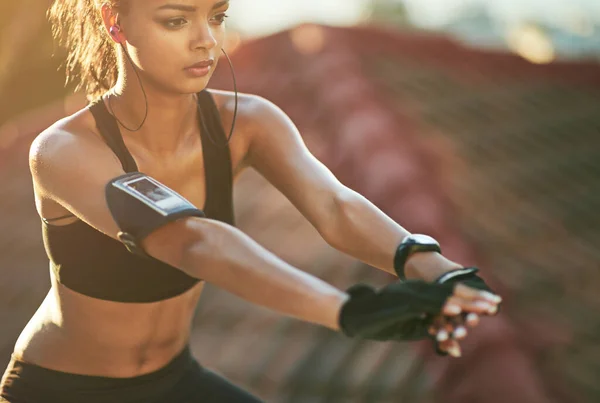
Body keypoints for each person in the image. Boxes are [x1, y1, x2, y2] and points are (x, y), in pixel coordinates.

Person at [0, 1, 502, 402]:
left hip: (173, 381)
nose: (206, 40)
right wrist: (346, 311)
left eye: (216, 16)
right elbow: (190, 240)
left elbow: (334, 206)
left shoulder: (250, 122)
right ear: (116, 22)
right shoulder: (65, 151)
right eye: (176, 20)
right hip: (61, 390)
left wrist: (433, 268)